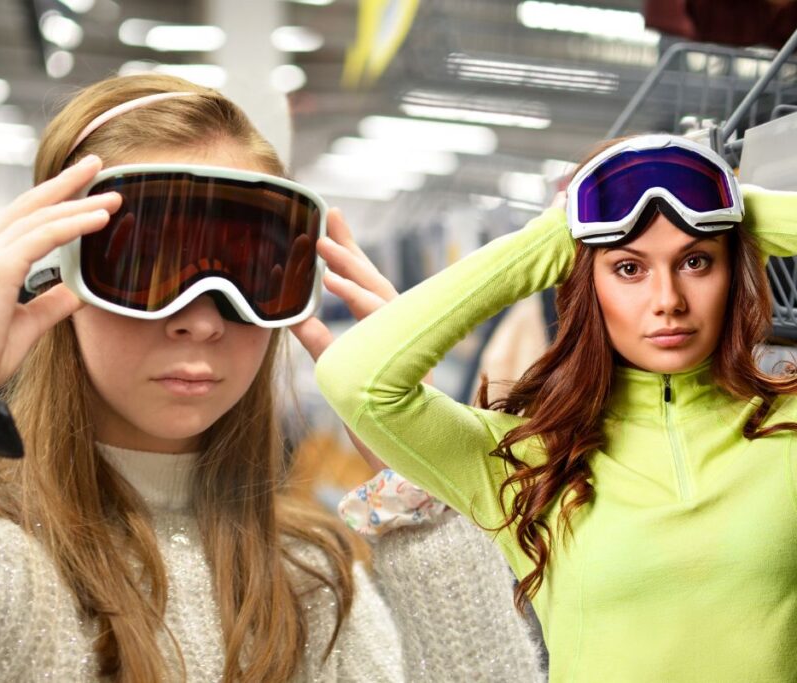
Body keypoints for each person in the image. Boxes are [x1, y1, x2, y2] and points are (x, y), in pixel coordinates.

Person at [0, 73, 543, 682]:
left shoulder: (311, 583)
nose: (203, 318)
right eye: (150, 268)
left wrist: (423, 481)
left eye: (248, 272)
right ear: (54, 269)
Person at [317, 133, 797, 681]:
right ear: (583, 281)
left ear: (732, 270)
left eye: (695, 261)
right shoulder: (531, 466)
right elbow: (354, 379)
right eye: (628, 269)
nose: (668, 300)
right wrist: (545, 241)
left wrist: (745, 209)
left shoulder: (786, 428)